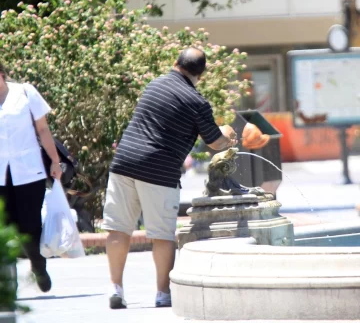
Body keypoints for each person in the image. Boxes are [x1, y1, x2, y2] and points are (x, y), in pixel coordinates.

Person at [102, 47, 270, 309]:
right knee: (162, 235)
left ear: (175, 63)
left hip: (123, 162)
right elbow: (215, 142)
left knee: (118, 228)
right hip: (159, 169)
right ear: (201, 74)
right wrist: (229, 138)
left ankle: (115, 289)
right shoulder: (196, 102)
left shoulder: (154, 84)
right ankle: (161, 293)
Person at [0, 62, 62, 292]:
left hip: (28, 172)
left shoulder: (25, 92)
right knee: (4, 228)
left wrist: (55, 161)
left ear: (2, 75)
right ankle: (8, 285)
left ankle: (38, 266)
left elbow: (43, 130)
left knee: (29, 226)